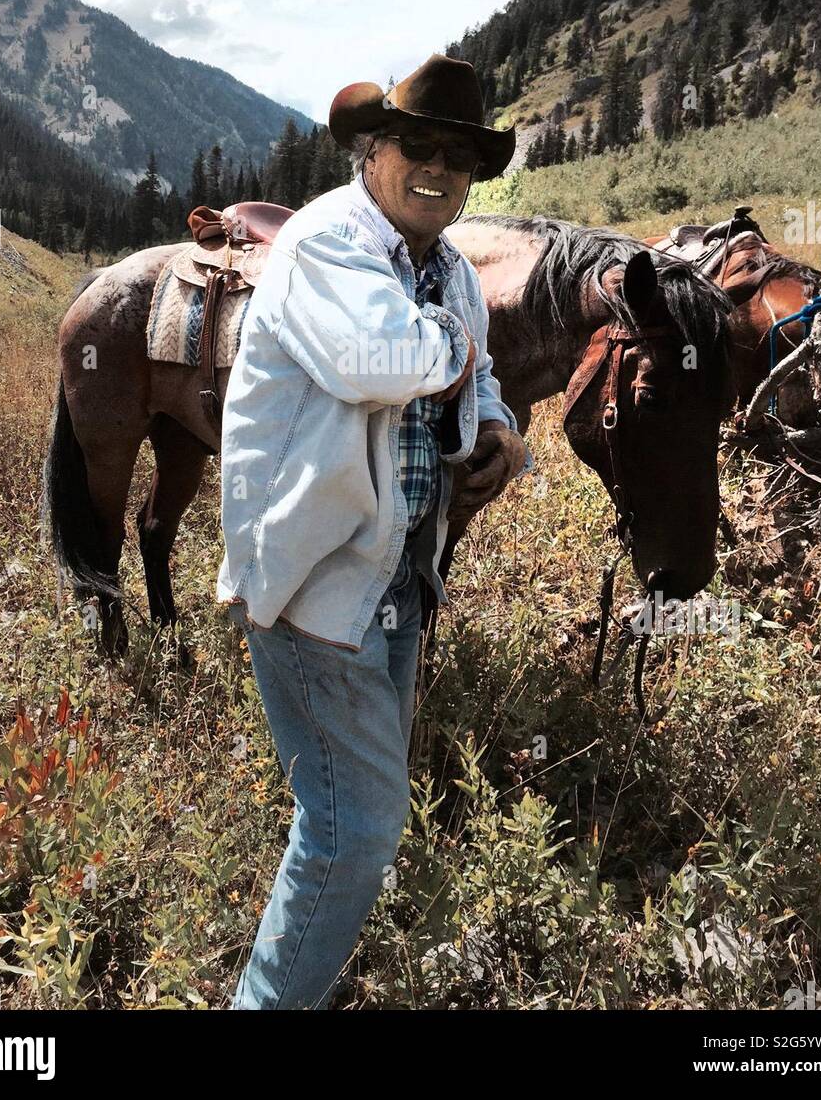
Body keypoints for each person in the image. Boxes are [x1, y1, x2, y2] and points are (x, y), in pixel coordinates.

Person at [218, 53, 533, 1009]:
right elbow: (377, 358)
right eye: (419, 148)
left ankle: (321, 948)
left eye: (462, 158)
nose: (439, 171)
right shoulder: (326, 243)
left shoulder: (446, 269)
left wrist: (499, 430)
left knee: (354, 807)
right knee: (354, 824)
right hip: (317, 580)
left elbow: (471, 381)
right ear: (375, 150)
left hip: (396, 577)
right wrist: (455, 349)